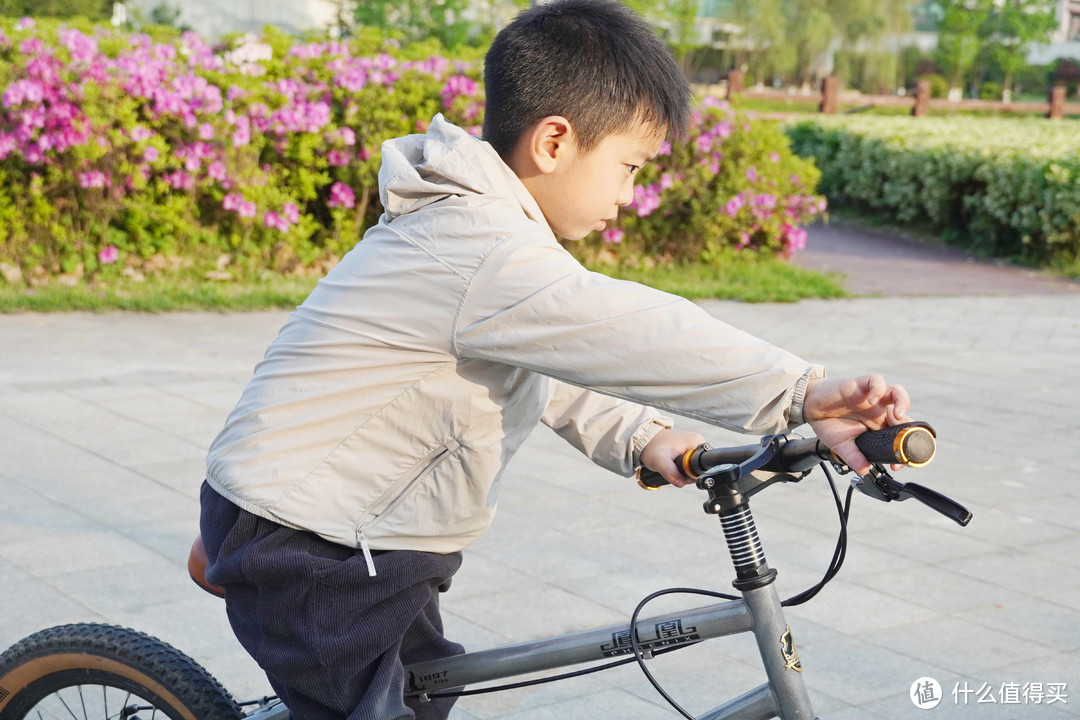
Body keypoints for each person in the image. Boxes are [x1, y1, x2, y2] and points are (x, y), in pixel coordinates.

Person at [199, 1, 911, 719]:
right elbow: (627, 330)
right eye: (628, 166)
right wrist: (802, 391)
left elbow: (551, 357)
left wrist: (645, 436)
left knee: (420, 697)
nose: (628, 196)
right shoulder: (478, 247)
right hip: (312, 542)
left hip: (369, 538)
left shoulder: (488, 240)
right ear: (554, 141)